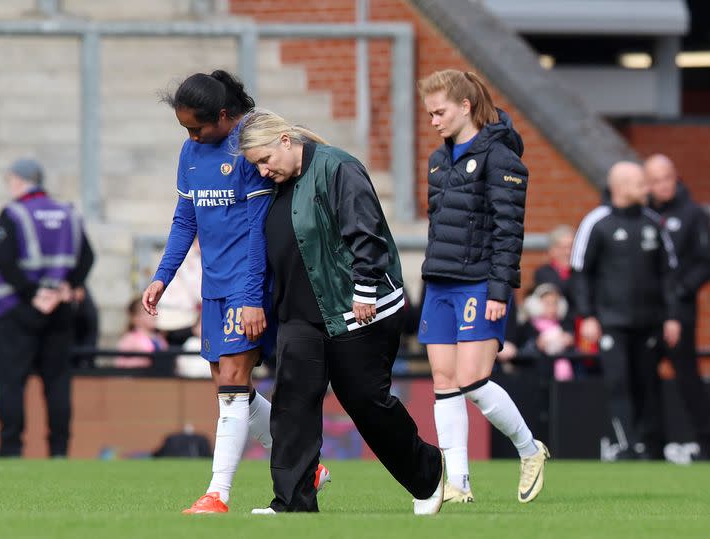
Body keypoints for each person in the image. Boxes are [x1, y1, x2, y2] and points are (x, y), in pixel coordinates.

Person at [238, 108, 445, 516]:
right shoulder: (274, 183)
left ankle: (428, 474)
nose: (262, 171)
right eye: (256, 165)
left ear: (285, 140)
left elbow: (366, 232)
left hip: (357, 307)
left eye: (265, 160)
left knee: (366, 401)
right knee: (291, 405)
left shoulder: (339, 168)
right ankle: (293, 503)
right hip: (300, 312)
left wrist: (364, 290)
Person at [141, 71, 328, 515]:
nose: (192, 136)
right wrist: (162, 276)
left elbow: (257, 232)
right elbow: (185, 219)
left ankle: (217, 494)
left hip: (250, 282)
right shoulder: (191, 152)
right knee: (234, 394)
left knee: (231, 388)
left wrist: (250, 298)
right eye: (186, 128)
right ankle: (307, 468)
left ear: (224, 116)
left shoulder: (249, 148)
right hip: (215, 286)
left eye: (198, 127)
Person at [416, 69, 549, 505]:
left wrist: (499, 290)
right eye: (429, 113)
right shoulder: (438, 160)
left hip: (478, 283)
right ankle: (459, 483)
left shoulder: (500, 157)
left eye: (440, 112)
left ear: (466, 106)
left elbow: (510, 231)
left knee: (473, 379)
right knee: (444, 381)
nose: (433, 121)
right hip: (440, 283)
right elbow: (440, 227)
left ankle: (530, 450)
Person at [0, 158, 94, 458]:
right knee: (57, 382)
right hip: (58, 310)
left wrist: (34, 293)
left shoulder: (13, 213)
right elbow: (87, 257)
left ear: (18, 181)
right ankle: (58, 450)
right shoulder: (68, 213)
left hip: (17, 309)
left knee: (10, 382)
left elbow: (4, 260)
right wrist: (65, 288)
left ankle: (11, 447)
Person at [571, 161, 680, 460]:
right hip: (611, 322)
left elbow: (669, 273)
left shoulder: (652, 222)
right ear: (620, 187)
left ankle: (650, 446)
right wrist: (588, 315)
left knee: (647, 382)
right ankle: (626, 444)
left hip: (649, 322)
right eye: (640, 183)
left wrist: (671, 315)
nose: (647, 188)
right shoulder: (597, 222)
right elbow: (580, 272)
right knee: (618, 382)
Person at [644, 153, 710, 461]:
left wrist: (682, 291)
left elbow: (704, 260)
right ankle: (652, 444)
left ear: (676, 177)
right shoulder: (641, 214)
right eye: (655, 180)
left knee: (687, 376)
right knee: (643, 376)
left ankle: (704, 441)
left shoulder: (693, 214)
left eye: (666, 178)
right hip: (645, 311)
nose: (662, 186)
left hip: (680, 310)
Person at [116, 297, 168, 368]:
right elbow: (121, 363)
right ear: (135, 318)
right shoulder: (130, 339)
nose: (153, 315)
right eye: (148, 312)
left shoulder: (159, 338)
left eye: (154, 310)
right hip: (140, 377)